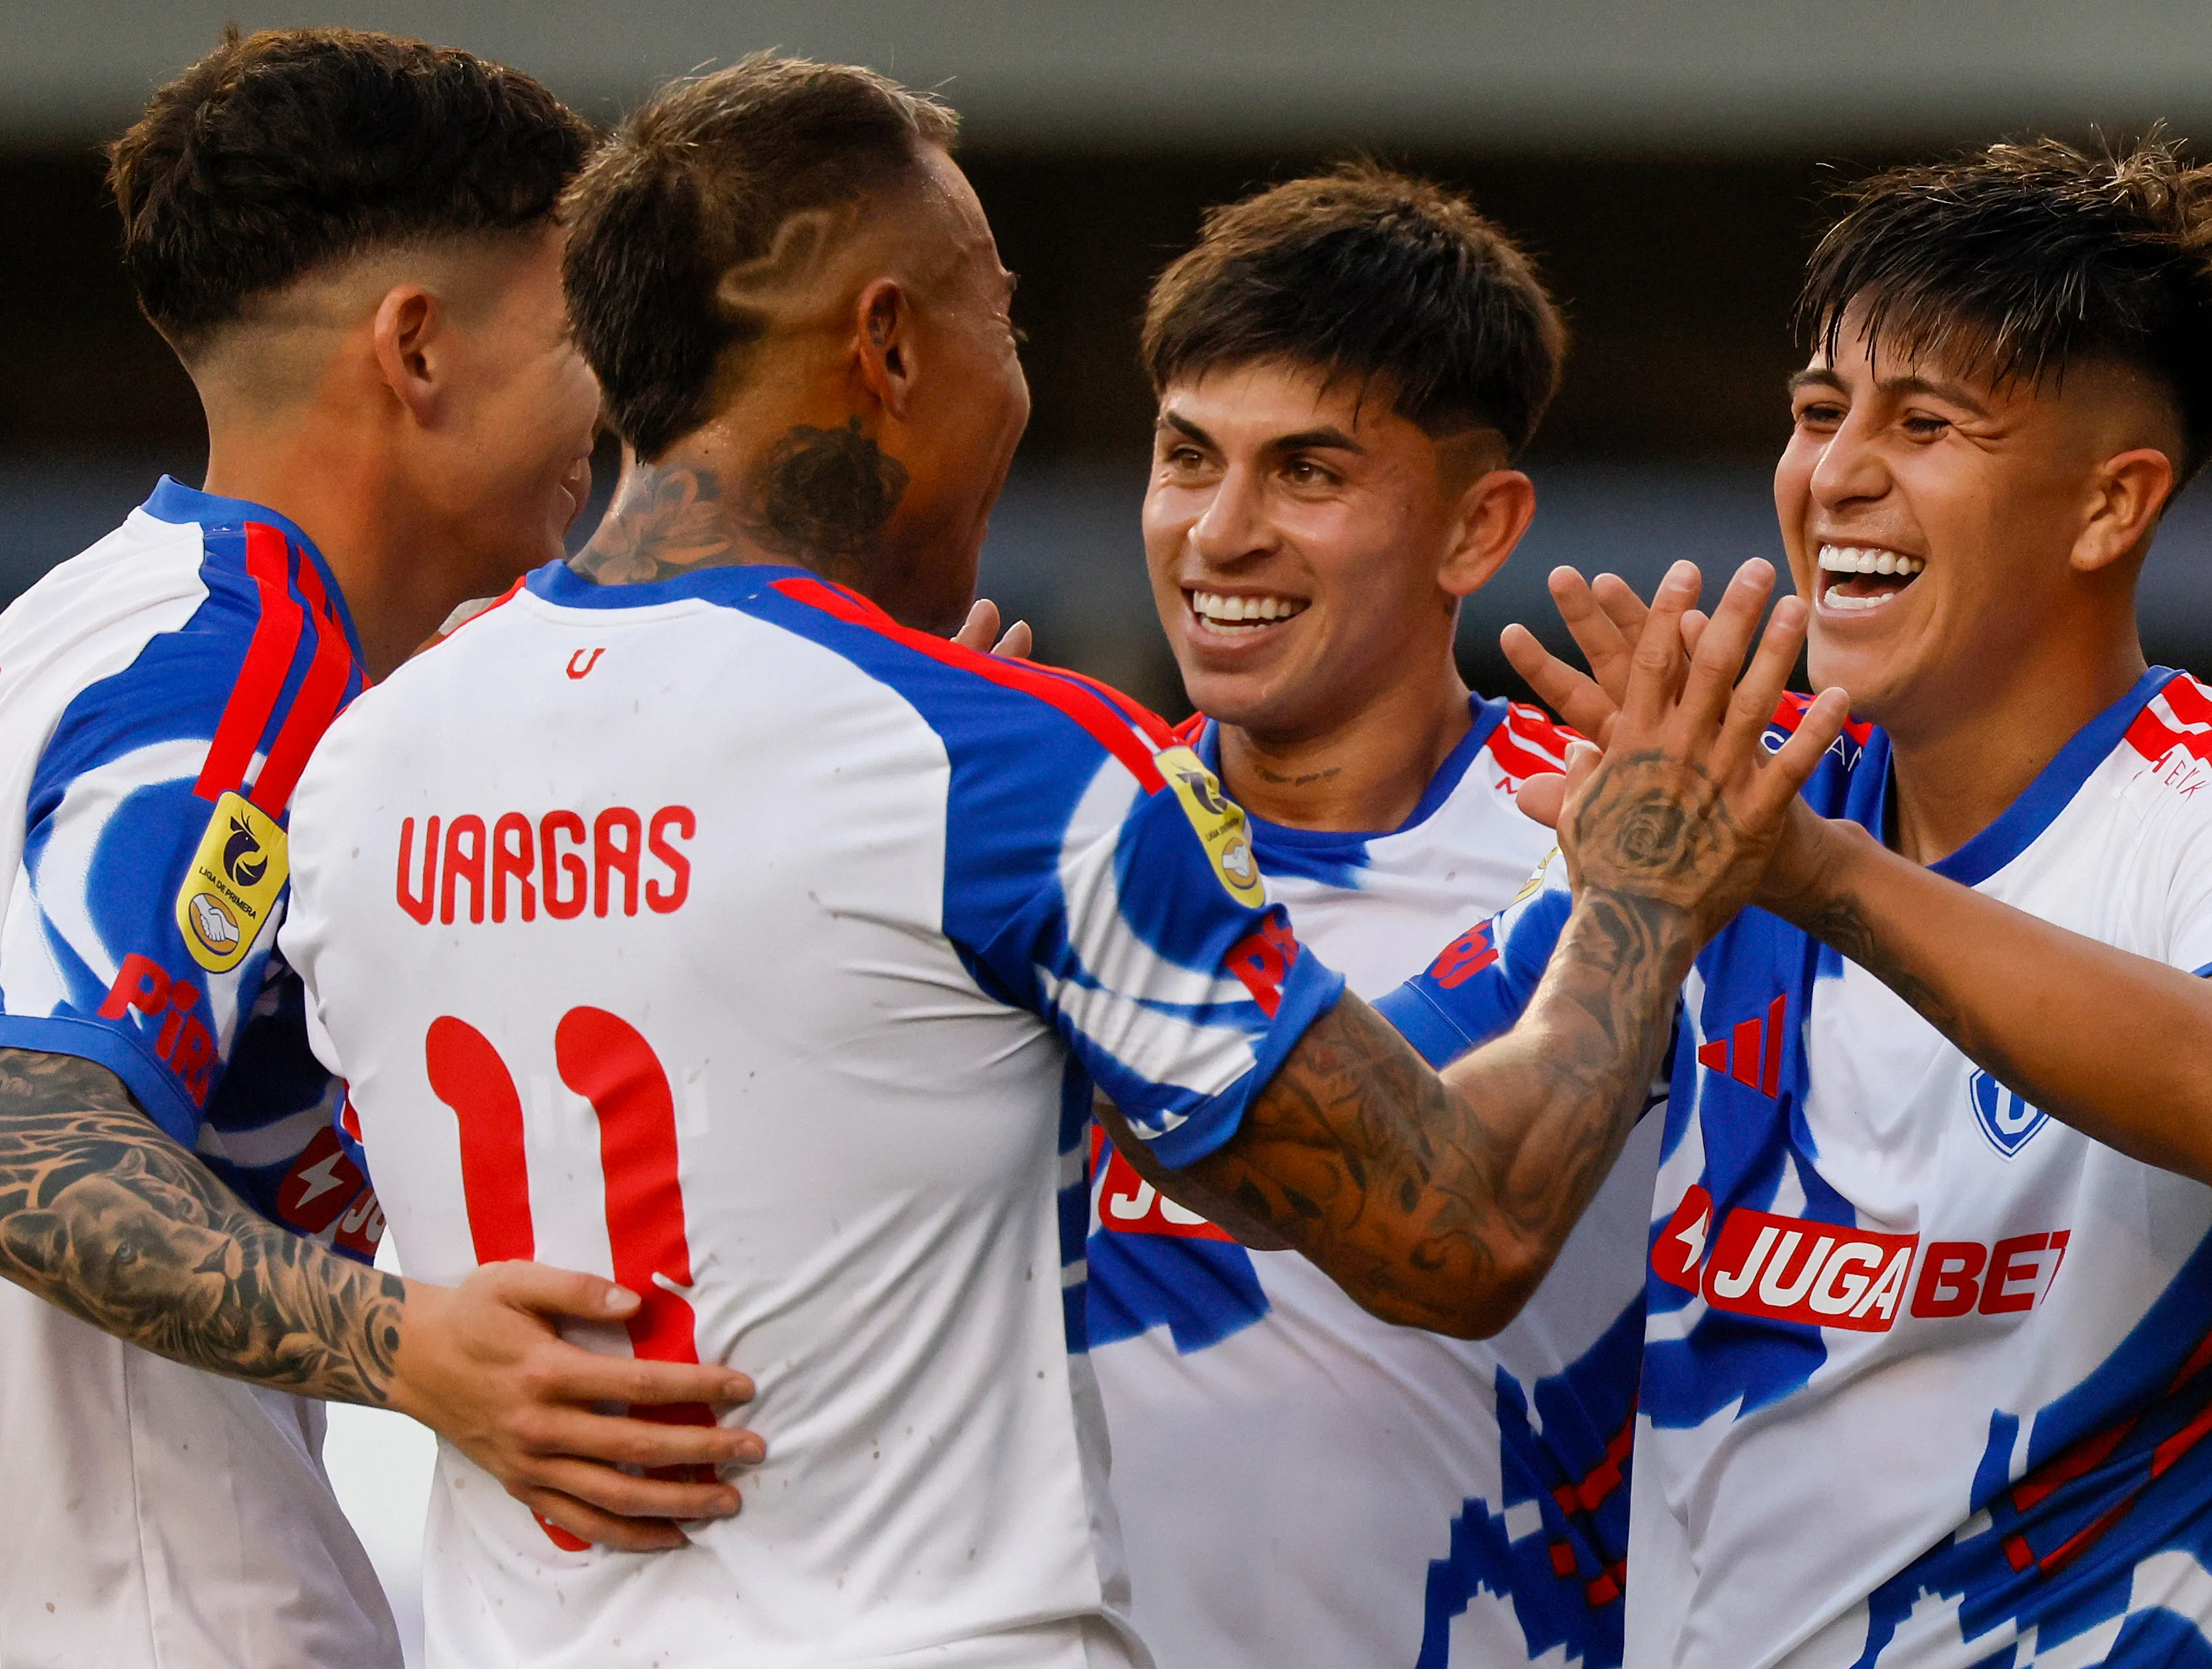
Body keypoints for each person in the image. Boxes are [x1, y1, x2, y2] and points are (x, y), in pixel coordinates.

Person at [276, 57, 1843, 1666]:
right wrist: (1644, 892)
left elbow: (62, 1127)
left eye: (1306, 470)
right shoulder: (983, 763)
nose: (1218, 526)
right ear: (889, 344)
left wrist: (382, 1336)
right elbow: (1457, 1227)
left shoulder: (376, 753)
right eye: (998, 317)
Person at [1415, 135, 2212, 1665]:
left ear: (2109, 506)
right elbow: (1406, 1135)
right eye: (1818, 411)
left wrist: (1812, 873)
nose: (1836, 474)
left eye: (1926, 422)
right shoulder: (1717, 799)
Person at [0, 31, 761, 1669]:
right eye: (582, 338)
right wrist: (417, 1347)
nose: (615, 407)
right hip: (155, 1615)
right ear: (417, 348)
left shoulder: (82, 630)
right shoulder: (248, 667)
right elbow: (25, 1127)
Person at [1084, 165, 1651, 1669]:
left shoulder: (1633, 836)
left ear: (1478, 527)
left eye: (1307, 473)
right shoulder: (1046, 843)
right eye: (1185, 456)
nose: (1218, 533)